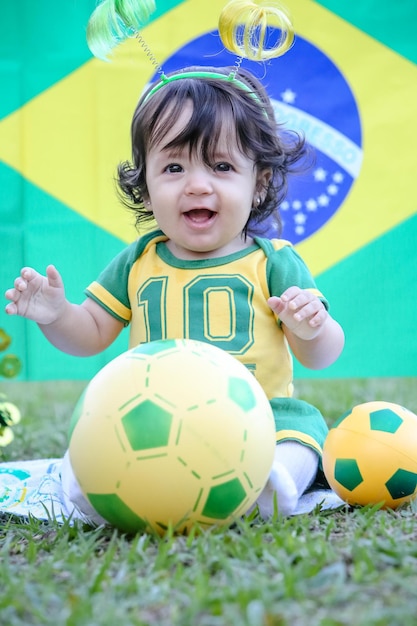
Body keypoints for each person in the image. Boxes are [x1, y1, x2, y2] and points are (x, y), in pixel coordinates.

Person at [4, 65, 344, 523]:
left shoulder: (275, 261)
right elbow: (89, 334)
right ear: (144, 187)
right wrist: (57, 314)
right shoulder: (139, 260)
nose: (197, 184)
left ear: (258, 181)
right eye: (174, 167)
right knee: (95, 436)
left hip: (259, 417)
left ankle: (272, 483)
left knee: (301, 430)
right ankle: (94, 489)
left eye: (221, 166)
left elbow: (322, 355)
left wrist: (311, 327)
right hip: (152, 427)